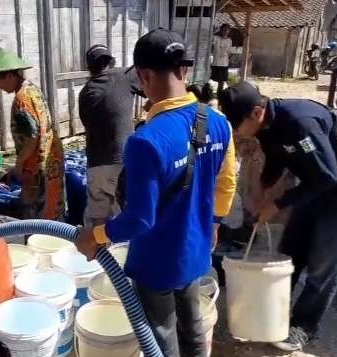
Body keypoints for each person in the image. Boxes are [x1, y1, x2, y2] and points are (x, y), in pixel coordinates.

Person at [75, 28, 237, 357]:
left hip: (156, 264)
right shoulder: (219, 122)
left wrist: (96, 235)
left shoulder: (146, 141)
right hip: (197, 250)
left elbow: (139, 220)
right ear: (184, 69)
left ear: (144, 75)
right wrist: (215, 223)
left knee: (161, 337)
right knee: (192, 328)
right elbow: (226, 182)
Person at [219, 82, 337, 352]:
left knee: (322, 266)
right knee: (290, 251)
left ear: (256, 112)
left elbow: (329, 176)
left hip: (331, 187)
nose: (236, 131)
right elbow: (277, 157)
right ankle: (274, 310)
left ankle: (304, 326)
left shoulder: (300, 123)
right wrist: (264, 188)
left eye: (237, 124)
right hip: (312, 185)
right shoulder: (268, 126)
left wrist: (279, 203)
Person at [0, 49, 66, 221]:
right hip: (52, 157)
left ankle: (39, 241)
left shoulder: (21, 100)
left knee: (36, 212)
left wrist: (18, 165)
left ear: (10, 75)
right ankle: (58, 238)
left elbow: (31, 138)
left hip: (37, 164)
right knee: (53, 205)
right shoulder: (33, 89)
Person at [78, 44, 144, 226]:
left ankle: (99, 253)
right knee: (124, 216)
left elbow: (86, 123)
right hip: (122, 161)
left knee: (98, 216)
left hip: (96, 163)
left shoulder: (85, 92)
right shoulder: (123, 76)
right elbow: (149, 84)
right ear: (111, 61)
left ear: (89, 68)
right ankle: (119, 253)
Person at [211, 24, 233, 95]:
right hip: (216, 63)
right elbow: (210, 41)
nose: (226, 31)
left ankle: (219, 94)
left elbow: (229, 51)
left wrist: (229, 58)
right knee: (213, 79)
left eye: (227, 30)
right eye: (224, 30)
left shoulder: (229, 40)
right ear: (221, 30)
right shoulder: (216, 38)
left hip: (224, 63)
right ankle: (208, 93)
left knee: (222, 81)